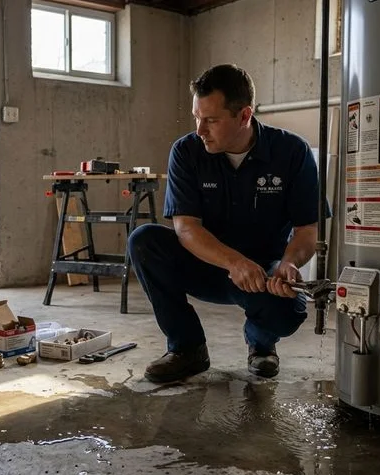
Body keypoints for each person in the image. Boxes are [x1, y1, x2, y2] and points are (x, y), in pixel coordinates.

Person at [127, 64, 329, 382]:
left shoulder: (292, 152)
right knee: (144, 240)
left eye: (211, 120)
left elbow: (307, 229)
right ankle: (186, 348)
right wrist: (233, 261)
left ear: (244, 115)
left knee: (290, 311)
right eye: (197, 117)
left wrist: (289, 263)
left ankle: (261, 345)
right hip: (204, 264)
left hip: (262, 274)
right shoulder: (186, 152)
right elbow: (186, 227)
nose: (200, 130)